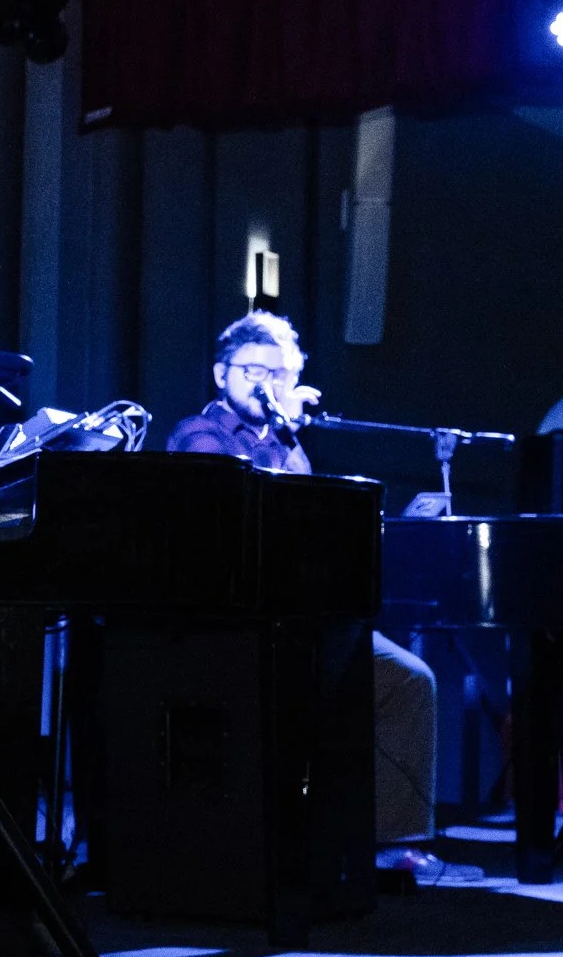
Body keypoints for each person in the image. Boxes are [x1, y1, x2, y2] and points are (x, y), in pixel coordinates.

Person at [166, 311, 440, 852]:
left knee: (410, 679)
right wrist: (286, 433)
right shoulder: (201, 433)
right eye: (255, 372)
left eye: (282, 375)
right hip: (233, 621)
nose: (269, 386)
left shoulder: (288, 445)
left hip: (302, 617)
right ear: (222, 375)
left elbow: (310, 530)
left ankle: (392, 844)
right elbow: (241, 510)